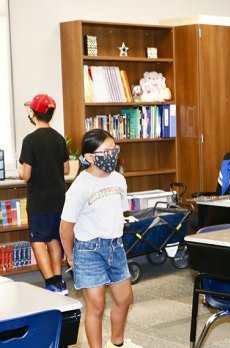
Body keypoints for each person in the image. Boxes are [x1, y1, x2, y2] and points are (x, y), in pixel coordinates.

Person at [60, 129, 141, 348]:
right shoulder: (80, 186)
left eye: (114, 149)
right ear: (88, 157)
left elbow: (119, 213)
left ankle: (116, 344)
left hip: (115, 247)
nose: (112, 154)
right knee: (96, 307)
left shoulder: (119, 180)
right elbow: (65, 228)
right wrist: (70, 257)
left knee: (125, 299)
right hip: (88, 250)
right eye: (105, 151)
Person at [18, 94, 69, 294]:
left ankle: (50, 283)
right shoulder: (58, 138)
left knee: (38, 240)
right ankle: (59, 281)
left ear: (33, 114)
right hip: (58, 199)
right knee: (54, 239)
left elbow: (26, 174)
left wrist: (21, 170)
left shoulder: (30, 140)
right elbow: (65, 169)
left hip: (39, 201)